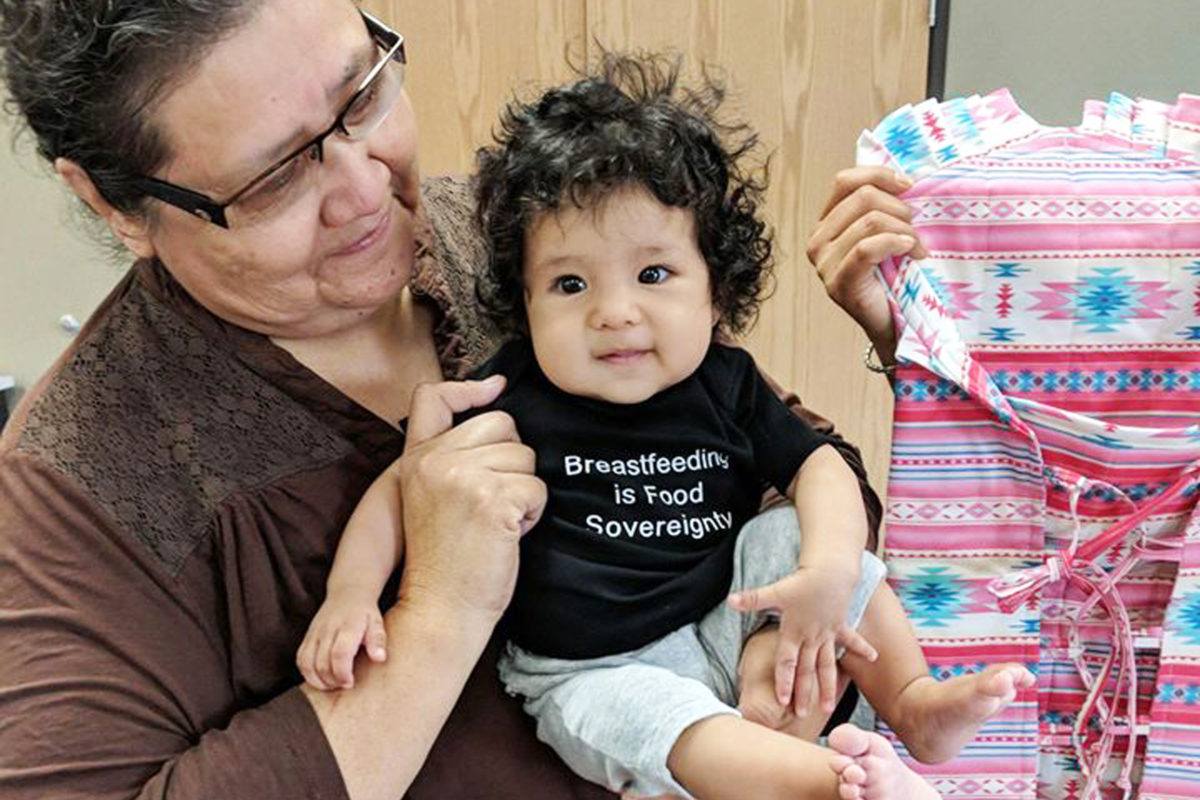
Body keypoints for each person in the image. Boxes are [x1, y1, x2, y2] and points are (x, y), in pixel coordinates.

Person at [0, 2, 886, 798]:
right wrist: (438, 615)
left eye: (363, 96)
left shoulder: (523, 242)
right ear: (114, 204)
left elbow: (785, 458)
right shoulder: (77, 485)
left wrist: (773, 663)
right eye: (271, 179)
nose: (364, 190)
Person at [295, 56, 1034, 800]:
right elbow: (403, 485)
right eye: (570, 284)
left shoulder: (725, 381)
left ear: (717, 289)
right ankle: (836, 783)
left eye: (652, 275)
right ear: (525, 303)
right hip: (595, 669)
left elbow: (821, 468)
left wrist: (831, 568)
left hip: (725, 616)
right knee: (669, 727)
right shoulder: (510, 391)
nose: (613, 312)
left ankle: (911, 702)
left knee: (795, 536)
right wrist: (352, 596)